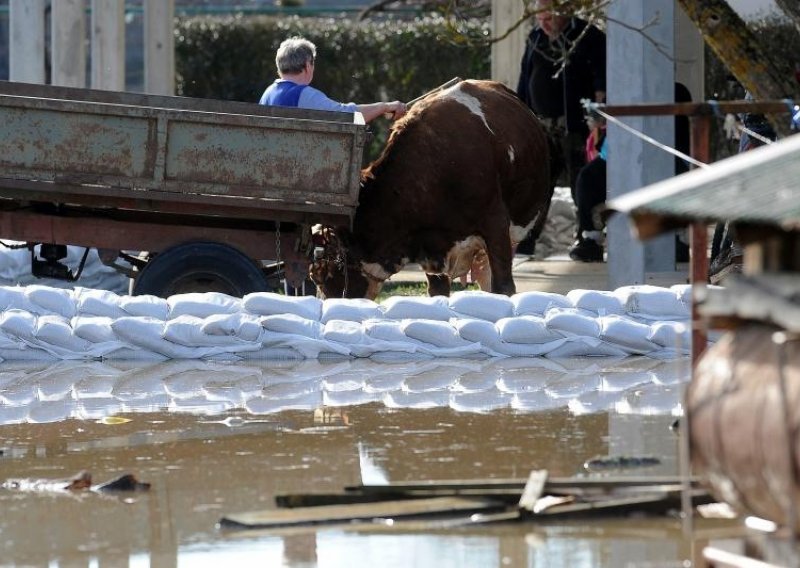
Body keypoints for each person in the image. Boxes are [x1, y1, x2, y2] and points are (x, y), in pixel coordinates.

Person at [516, 0, 606, 255]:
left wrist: (599, 116)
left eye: (549, 18)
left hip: (577, 127)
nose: (543, 24)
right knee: (537, 185)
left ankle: (588, 240)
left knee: (583, 184)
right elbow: (525, 79)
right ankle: (526, 239)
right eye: (540, 18)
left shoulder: (587, 36)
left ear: (565, 12)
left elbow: (601, 79)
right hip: (541, 127)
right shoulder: (535, 37)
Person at [568, 83, 693, 263]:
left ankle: (675, 239)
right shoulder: (621, 83)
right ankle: (591, 239)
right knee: (588, 178)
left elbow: (679, 135)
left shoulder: (676, 92)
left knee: (668, 179)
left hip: (663, 157)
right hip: (619, 156)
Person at [259, 36, 406, 122]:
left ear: (279, 68)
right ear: (308, 66)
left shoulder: (267, 93)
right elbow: (348, 116)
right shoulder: (305, 95)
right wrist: (385, 107)